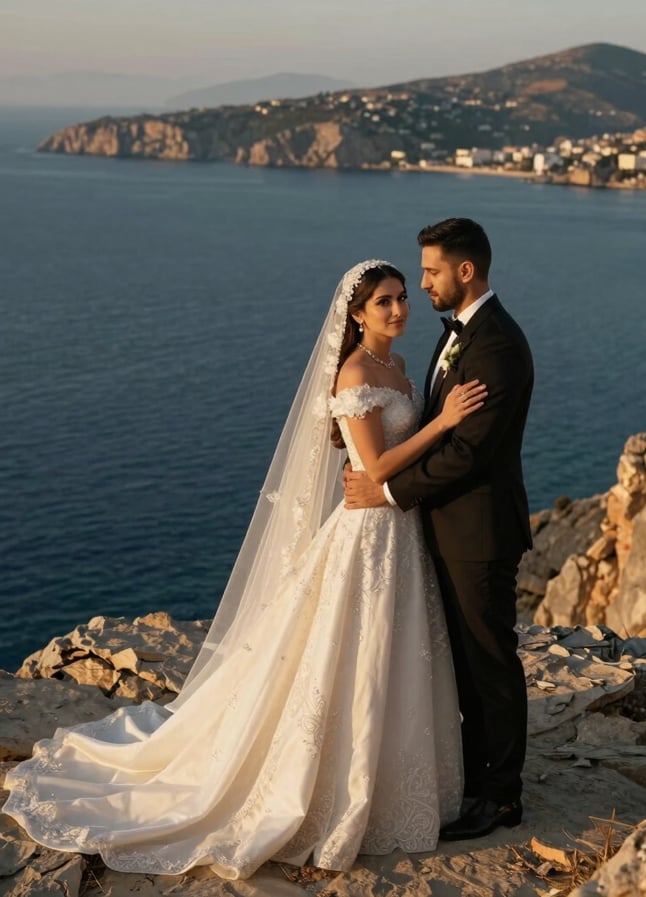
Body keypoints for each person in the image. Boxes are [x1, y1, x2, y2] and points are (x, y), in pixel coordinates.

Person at [2, 261, 488, 879]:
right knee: (357, 657)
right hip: (368, 533)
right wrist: (446, 423)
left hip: (399, 533)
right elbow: (374, 466)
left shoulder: (395, 367)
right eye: (384, 302)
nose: (398, 310)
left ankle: (400, 790)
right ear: (358, 314)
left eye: (401, 299)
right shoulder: (358, 371)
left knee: (396, 656)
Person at [345, 219, 534, 841]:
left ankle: (501, 798)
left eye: (428, 273)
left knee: (490, 663)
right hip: (441, 531)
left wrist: (388, 491)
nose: (419, 285)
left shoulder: (496, 346)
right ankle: (472, 779)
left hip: (477, 533)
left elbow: (469, 453)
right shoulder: (455, 337)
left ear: (465, 272)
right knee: (463, 665)